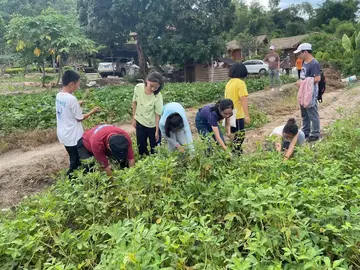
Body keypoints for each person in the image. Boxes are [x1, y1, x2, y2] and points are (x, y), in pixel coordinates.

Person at [55, 70, 100, 178]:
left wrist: (77, 104)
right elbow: (79, 118)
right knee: (77, 161)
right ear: (71, 84)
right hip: (73, 136)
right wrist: (93, 111)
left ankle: (77, 177)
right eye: (77, 84)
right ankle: (71, 179)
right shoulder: (72, 99)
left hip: (63, 133)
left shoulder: (59, 95)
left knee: (73, 157)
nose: (78, 87)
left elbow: (66, 108)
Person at [132, 72, 164, 156]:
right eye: (151, 86)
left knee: (155, 148)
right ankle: (144, 160)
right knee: (141, 147)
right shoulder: (138, 88)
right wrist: (134, 118)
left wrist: (157, 131)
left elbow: (158, 114)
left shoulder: (158, 96)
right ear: (147, 81)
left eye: (156, 87)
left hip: (153, 124)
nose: (153, 89)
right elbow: (134, 103)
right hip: (140, 121)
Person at [294, 43, 321, 142]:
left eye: (299, 53)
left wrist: (303, 82)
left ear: (305, 52)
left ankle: (315, 133)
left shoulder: (314, 63)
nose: (298, 56)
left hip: (311, 93)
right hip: (303, 91)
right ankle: (306, 131)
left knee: (312, 113)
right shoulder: (304, 62)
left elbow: (317, 78)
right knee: (304, 113)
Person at [225, 63, 250, 153]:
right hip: (238, 115)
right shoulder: (240, 83)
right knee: (239, 136)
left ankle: (235, 153)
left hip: (229, 113)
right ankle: (235, 154)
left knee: (232, 136)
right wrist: (247, 115)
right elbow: (243, 99)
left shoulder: (229, 83)